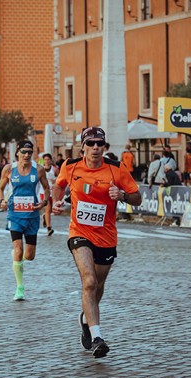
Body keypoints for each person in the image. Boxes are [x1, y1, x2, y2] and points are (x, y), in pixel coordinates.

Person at [52, 127, 142, 358]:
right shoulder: (70, 166)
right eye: (90, 143)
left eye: (99, 144)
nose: (95, 148)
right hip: (79, 232)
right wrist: (57, 201)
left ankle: (85, 317)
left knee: (98, 286)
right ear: (82, 146)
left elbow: (137, 197)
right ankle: (97, 337)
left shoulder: (116, 169)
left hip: (106, 236)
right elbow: (59, 184)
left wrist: (121, 196)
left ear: (104, 147)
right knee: (89, 281)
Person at [0, 140, 50, 301]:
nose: (26, 155)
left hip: (32, 216)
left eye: (29, 152)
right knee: (18, 250)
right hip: (15, 214)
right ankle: (19, 287)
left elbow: (47, 188)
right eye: (24, 152)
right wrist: (2, 201)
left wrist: (44, 201)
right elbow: (0, 188)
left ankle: (17, 258)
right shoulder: (9, 169)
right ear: (17, 153)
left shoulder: (39, 170)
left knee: (30, 255)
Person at [42, 153, 59, 236]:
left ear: (51, 160)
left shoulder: (55, 169)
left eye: (48, 159)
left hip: (53, 191)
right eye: (45, 159)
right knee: (48, 209)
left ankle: (44, 216)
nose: (47, 161)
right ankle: (49, 228)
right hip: (44, 192)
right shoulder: (41, 169)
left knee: (51, 210)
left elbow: (60, 179)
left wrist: (55, 181)